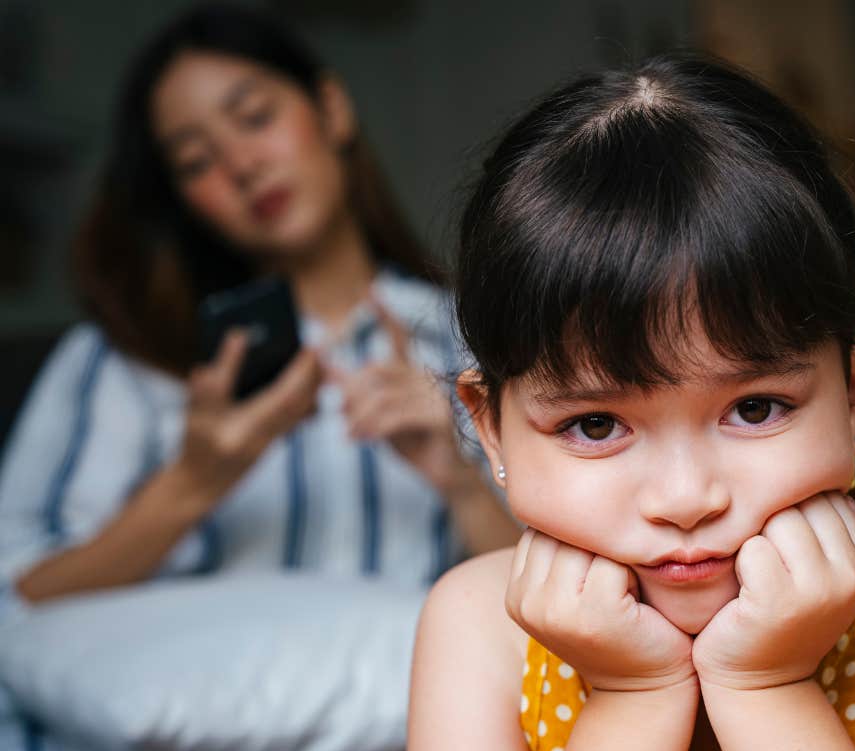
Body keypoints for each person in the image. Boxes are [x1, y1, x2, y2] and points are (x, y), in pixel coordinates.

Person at [407, 53, 855, 751]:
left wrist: (767, 686)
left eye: (755, 409)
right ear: (489, 427)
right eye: (594, 424)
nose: (685, 499)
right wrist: (632, 699)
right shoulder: (477, 623)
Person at [0, 3, 519, 617]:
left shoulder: (476, 337)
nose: (242, 166)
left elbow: (566, 600)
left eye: (255, 117)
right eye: (196, 161)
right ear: (181, 200)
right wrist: (193, 482)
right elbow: (20, 595)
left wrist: (457, 478)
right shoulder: (122, 356)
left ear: (332, 109)